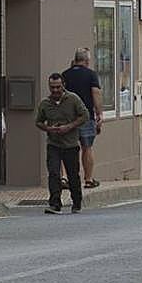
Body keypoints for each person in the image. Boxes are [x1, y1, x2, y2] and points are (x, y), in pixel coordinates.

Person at [35, 73, 89, 214]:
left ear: (63, 85)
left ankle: (76, 202)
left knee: (72, 175)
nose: (55, 90)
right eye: (52, 87)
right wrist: (48, 128)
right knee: (53, 173)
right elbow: (38, 122)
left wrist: (69, 126)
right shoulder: (45, 104)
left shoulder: (73, 99)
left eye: (58, 87)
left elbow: (85, 115)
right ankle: (54, 203)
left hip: (70, 144)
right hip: (53, 144)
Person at [62, 48, 103, 189]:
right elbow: (96, 93)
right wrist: (99, 114)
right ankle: (88, 179)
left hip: (67, 118)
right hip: (86, 117)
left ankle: (64, 178)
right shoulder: (91, 75)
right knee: (87, 147)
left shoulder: (65, 75)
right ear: (87, 61)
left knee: (65, 147)